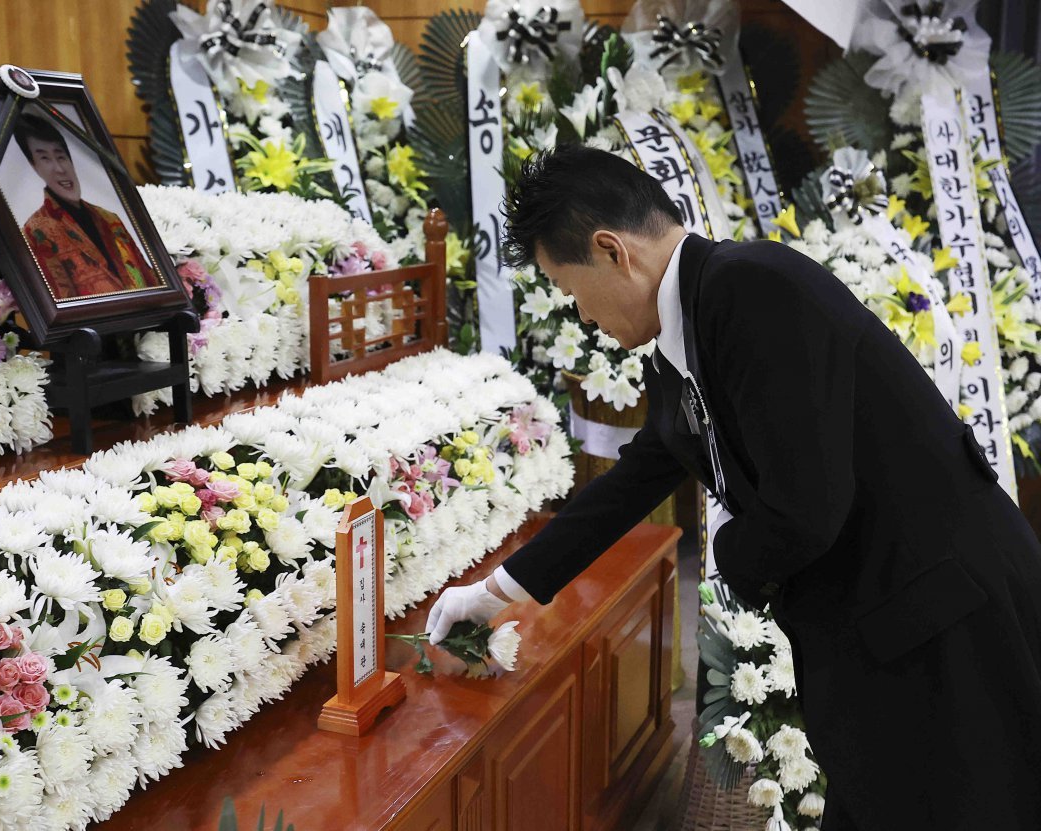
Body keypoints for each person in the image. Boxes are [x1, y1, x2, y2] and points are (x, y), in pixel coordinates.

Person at [424, 144, 1041, 830]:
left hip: (943, 621)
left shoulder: (753, 288)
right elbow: (639, 475)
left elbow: (806, 510)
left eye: (572, 293)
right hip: (881, 627)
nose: (585, 318)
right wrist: (494, 591)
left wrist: (727, 545)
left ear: (612, 251)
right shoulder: (685, 331)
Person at [12, 113, 160, 300]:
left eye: (61, 156)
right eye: (45, 159)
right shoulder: (37, 232)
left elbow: (151, 281)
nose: (59, 168)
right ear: (34, 167)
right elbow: (62, 305)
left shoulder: (110, 218)